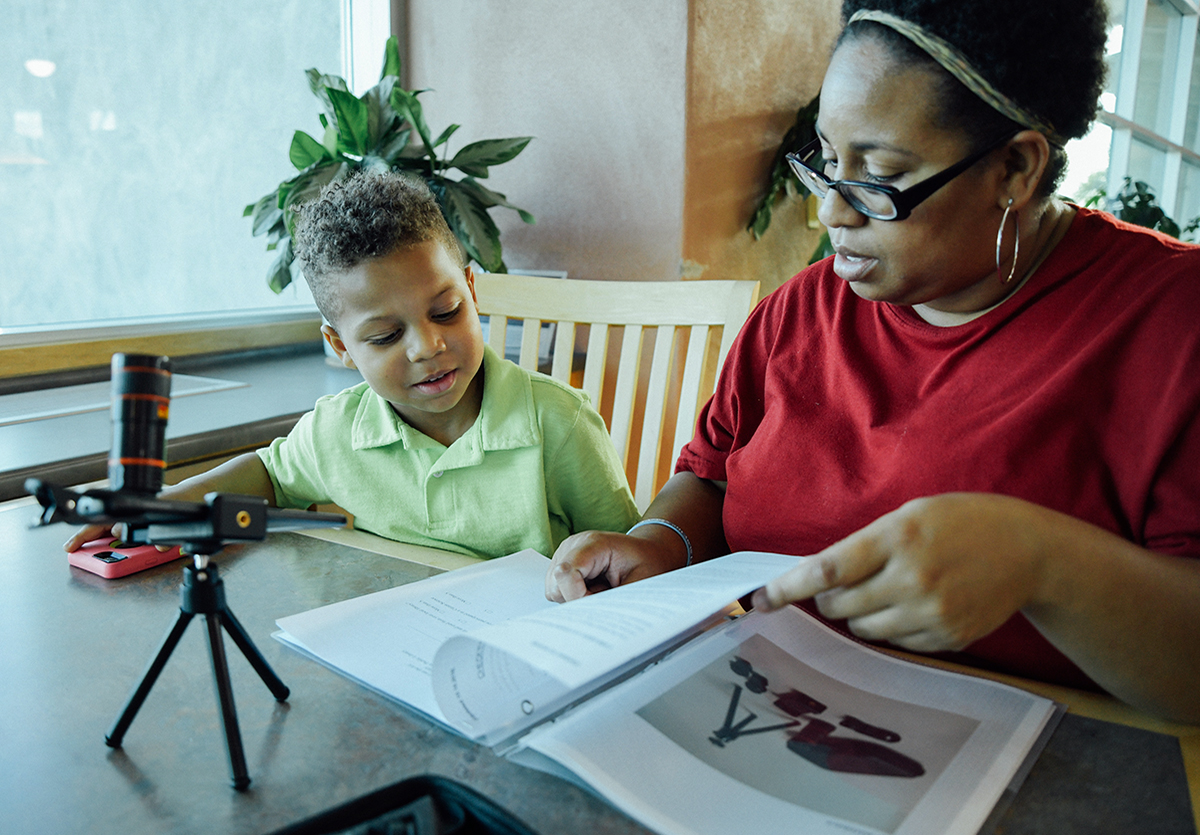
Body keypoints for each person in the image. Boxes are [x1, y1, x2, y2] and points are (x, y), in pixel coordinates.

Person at [546, 0, 1200, 724]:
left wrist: (1041, 563)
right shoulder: (799, 313)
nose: (831, 210)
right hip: (757, 715)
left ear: (1014, 168)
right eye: (827, 161)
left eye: (878, 175)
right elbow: (708, 475)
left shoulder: (1174, 326)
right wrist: (659, 545)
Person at [66, 170, 640, 559]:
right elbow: (267, 475)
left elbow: (626, 554)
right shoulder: (335, 431)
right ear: (340, 347)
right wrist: (164, 502)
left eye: (445, 312)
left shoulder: (558, 422)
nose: (425, 347)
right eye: (386, 335)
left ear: (471, 288)